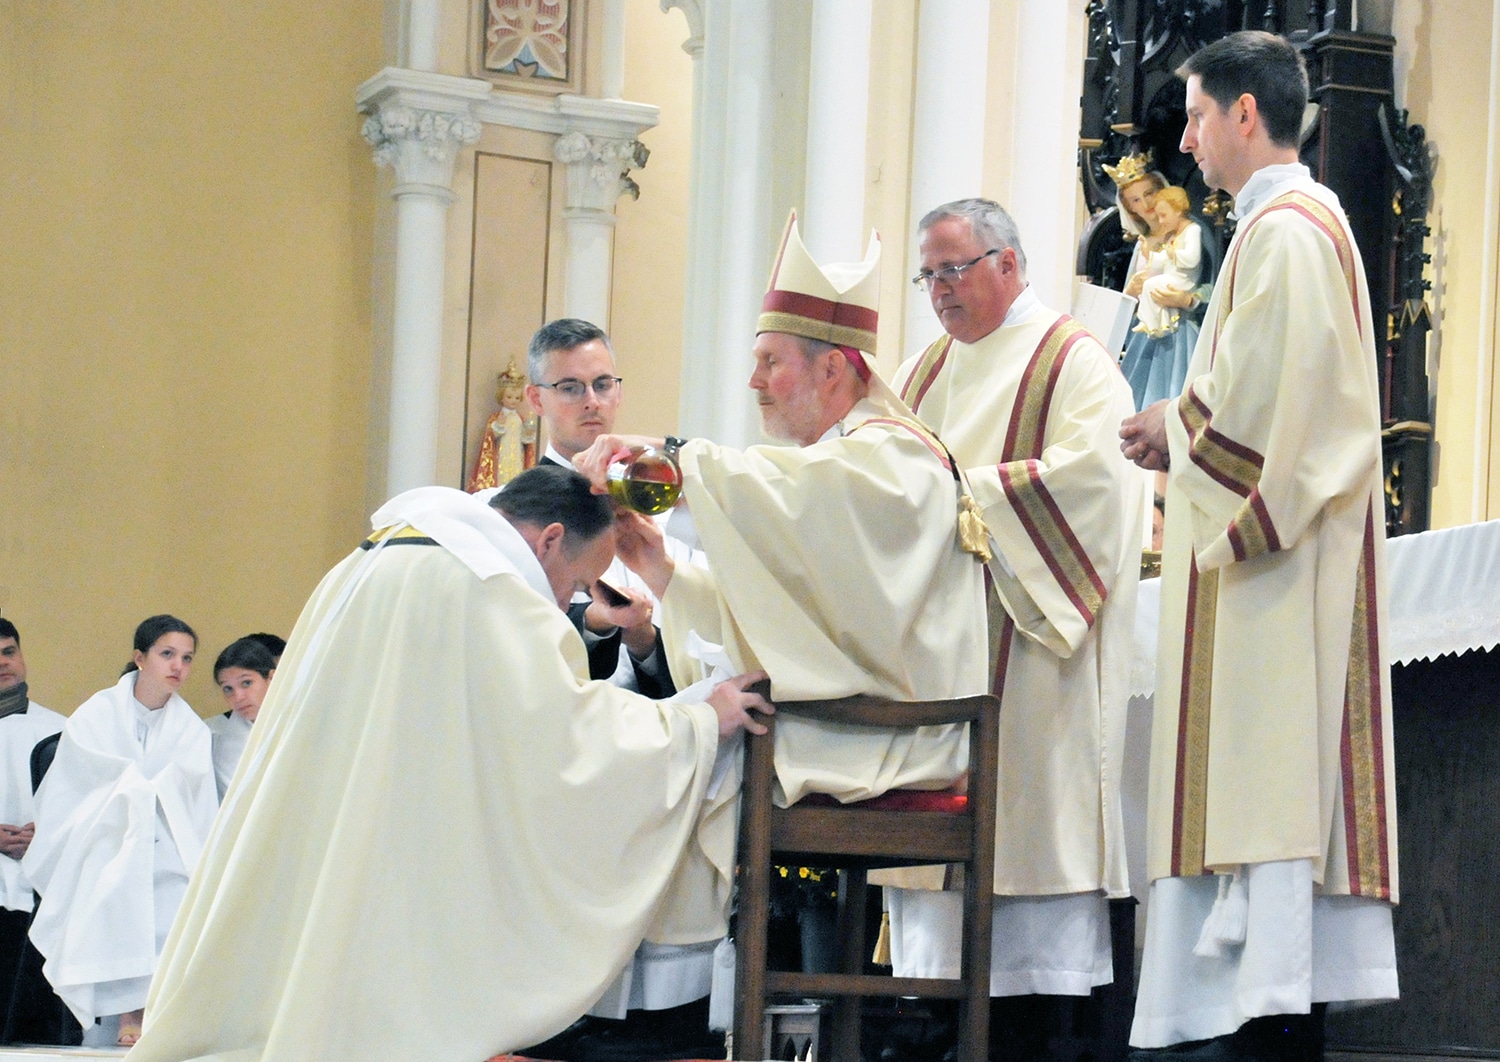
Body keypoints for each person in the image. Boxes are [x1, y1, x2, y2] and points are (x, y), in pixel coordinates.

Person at [125, 467, 769, 1062]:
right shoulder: (492, 591)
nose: (570, 598)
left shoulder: (377, 554)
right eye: (575, 583)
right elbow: (570, 740)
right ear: (547, 540)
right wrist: (700, 720)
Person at [571, 212, 990, 1062]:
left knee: (690, 754)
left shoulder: (893, 460)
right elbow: (810, 613)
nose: (755, 382)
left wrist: (679, 459)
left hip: (891, 743)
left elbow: (802, 498)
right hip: (847, 723)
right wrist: (665, 573)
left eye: (771, 363)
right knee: (685, 741)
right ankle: (646, 1004)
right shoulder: (842, 463)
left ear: (834, 366)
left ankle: (657, 1013)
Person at [1118, 30, 1399, 1057]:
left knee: (1264, 794)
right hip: (1272, 570)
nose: (1185, 143)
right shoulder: (1282, 229)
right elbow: (1260, 387)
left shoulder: (1283, 231)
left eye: (1196, 116)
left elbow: (1275, 412)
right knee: (1250, 796)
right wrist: (1182, 420)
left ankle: (1247, 1019)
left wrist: (1184, 434)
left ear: (1246, 114)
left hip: (1272, 578)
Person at [880, 197, 1142, 1061]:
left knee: (1024, 894)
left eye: (955, 269)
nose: (941, 291)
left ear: (1011, 264)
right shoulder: (919, 373)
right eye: (929, 274)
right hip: (934, 665)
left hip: (1028, 661)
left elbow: (1097, 489)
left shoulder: (1073, 362)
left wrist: (963, 499)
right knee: (933, 961)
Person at [23, 615, 216, 1048]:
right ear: (139, 657)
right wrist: (134, 790)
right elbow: (79, 778)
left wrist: (152, 792)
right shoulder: (97, 712)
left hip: (167, 838)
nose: (178, 667)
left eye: (187, 658)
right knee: (117, 878)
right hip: (103, 835)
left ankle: (152, 1011)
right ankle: (125, 1009)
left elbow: (195, 800)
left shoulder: (191, 728)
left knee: (175, 891)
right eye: (167, 654)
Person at [527, 317, 683, 699]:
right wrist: (597, 622)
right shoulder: (513, 509)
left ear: (618, 392)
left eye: (602, 384)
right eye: (570, 388)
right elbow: (512, 635)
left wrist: (644, 640)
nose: (591, 401)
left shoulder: (666, 508)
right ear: (536, 399)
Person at [0, 619, 68, 1045]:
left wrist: (47, 835)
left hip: (41, 899)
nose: (3, 663)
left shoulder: (62, 730)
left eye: (9, 652)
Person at [1107, 155, 1211, 412]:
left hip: (1182, 328)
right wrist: (1130, 293)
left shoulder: (1191, 231)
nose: (1147, 203)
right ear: (1131, 209)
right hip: (1146, 334)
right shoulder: (1141, 244)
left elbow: (1213, 283)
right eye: (1136, 200)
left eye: (1150, 193)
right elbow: (1129, 299)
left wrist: (1188, 300)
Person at [205, 637, 278, 799]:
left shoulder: (300, 724)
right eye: (228, 689)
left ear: (272, 678)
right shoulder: (214, 737)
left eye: (246, 683)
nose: (238, 697)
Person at [1132, 187, 1202, 339]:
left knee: (1151, 285)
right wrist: (1148, 254)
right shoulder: (1172, 236)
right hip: (1172, 278)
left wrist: (1174, 254)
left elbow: (1192, 258)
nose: (1161, 221)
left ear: (1177, 211)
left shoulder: (1193, 230)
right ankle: (1156, 322)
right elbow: (1163, 260)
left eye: (1163, 215)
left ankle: (1148, 320)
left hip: (1184, 280)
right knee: (1152, 285)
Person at [468, 359, 539, 490]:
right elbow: (491, 438)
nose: (513, 401)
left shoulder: (520, 418)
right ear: (502, 397)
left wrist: (527, 433)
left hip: (517, 453)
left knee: (516, 474)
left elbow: (525, 440)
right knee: (502, 476)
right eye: (509, 397)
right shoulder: (497, 417)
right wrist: (499, 426)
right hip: (502, 453)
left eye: (517, 398)